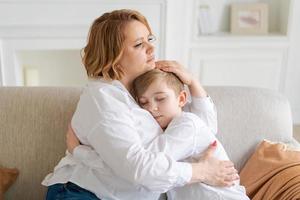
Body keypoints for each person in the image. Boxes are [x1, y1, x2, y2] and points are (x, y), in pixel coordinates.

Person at [42, 9, 239, 200]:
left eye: (150, 40)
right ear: (114, 57)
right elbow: (139, 169)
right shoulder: (103, 98)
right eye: (138, 44)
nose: (152, 48)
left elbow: (201, 132)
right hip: (83, 193)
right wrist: (202, 171)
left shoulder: (144, 94)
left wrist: (192, 82)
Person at [131, 69, 249, 200]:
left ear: (181, 99)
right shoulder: (170, 128)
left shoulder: (187, 124)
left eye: (160, 99)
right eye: (143, 102)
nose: (151, 108)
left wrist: (192, 81)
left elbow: (152, 164)